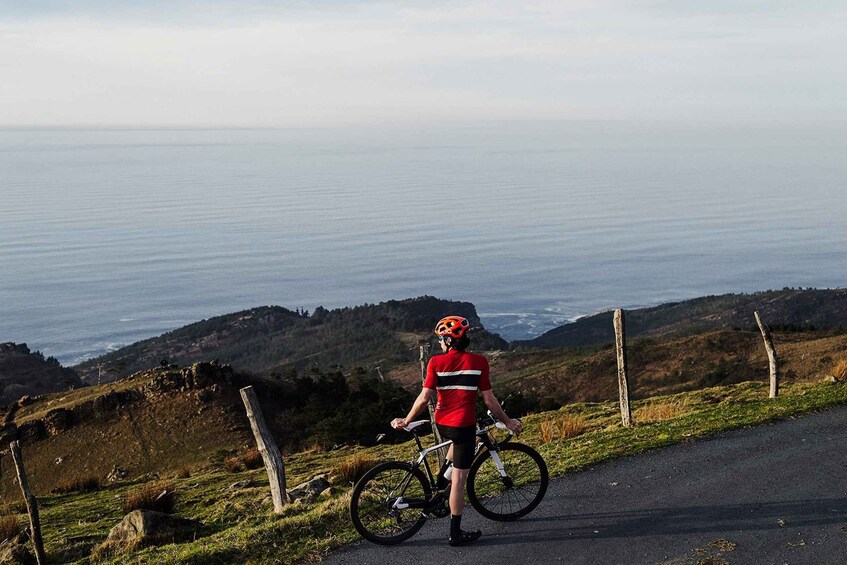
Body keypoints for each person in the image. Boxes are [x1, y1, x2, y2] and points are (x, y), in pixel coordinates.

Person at [391, 315, 522, 546]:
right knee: (460, 481)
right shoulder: (479, 362)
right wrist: (509, 421)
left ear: (449, 341)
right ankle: (455, 533)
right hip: (463, 426)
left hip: (443, 424)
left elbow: (424, 399)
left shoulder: (435, 363)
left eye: (441, 339)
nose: (440, 343)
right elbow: (490, 401)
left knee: (454, 454)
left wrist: (407, 419)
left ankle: (439, 492)